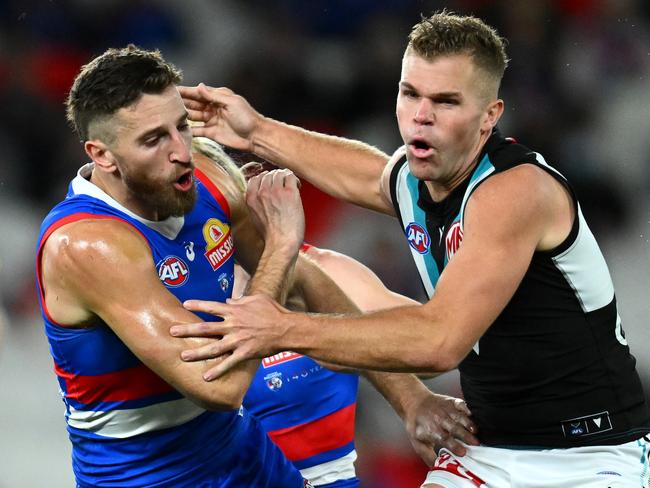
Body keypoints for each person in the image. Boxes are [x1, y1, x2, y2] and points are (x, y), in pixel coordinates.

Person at [175, 11, 650, 488]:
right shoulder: (420, 180)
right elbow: (369, 172)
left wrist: (280, 328)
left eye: (445, 101)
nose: (422, 115)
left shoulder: (516, 192)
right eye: (411, 94)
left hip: (590, 456)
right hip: (490, 449)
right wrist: (255, 131)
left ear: (490, 116)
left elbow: (438, 341)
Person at [36, 44, 336, 487]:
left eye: (181, 127)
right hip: (146, 477)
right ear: (102, 156)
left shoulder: (205, 181)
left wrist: (411, 399)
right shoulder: (86, 244)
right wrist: (279, 245)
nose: (182, 151)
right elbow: (219, 386)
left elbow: (301, 283)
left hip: (237, 447)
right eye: (154, 139)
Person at [191, 140, 479, 487]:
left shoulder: (331, 273)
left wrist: (413, 399)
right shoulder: (175, 296)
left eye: (208, 193)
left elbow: (442, 343)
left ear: (250, 181)